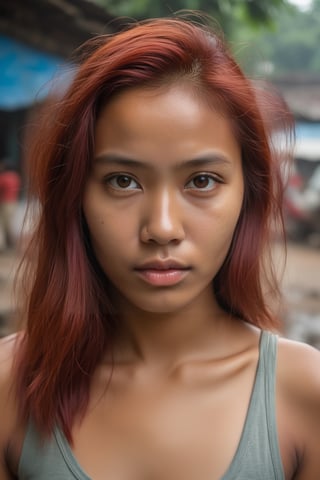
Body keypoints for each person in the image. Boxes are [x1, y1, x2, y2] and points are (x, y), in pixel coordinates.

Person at [0, 15, 319, 480]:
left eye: (202, 181)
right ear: (75, 197)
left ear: (248, 196)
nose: (163, 228)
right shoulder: (10, 385)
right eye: (123, 181)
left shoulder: (303, 393)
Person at [0, 161, 21, 252]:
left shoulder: (4, 177)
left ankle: (3, 245)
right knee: (10, 224)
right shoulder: (16, 177)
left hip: (5, 203)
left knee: (4, 225)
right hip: (14, 202)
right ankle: (12, 244)